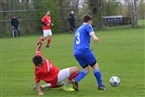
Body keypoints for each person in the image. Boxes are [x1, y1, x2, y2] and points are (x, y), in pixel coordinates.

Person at [72, 15, 106, 91]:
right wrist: (95, 37)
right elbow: (91, 33)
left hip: (76, 52)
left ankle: (75, 80)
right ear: (89, 21)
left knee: (86, 69)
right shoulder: (88, 26)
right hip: (84, 50)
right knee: (95, 67)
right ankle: (100, 85)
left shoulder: (78, 29)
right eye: (91, 22)